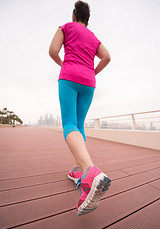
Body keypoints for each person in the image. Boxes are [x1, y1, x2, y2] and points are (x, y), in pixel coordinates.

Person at [49, 0, 111, 216]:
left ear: (74, 15)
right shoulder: (93, 37)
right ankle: (78, 171)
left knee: (68, 124)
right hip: (89, 82)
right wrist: (92, 71)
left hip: (69, 76)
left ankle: (90, 172)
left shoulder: (65, 27)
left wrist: (63, 64)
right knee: (79, 125)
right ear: (87, 19)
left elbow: (52, 50)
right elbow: (107, 56)